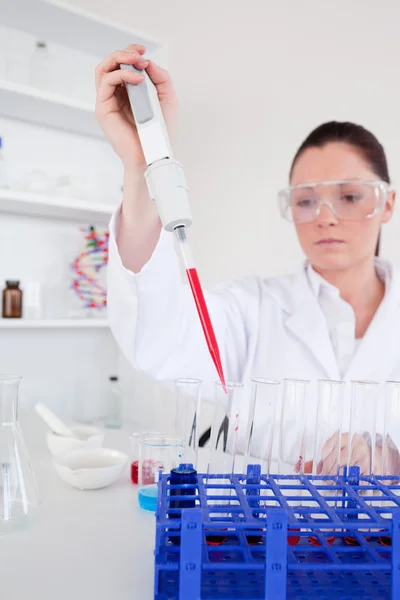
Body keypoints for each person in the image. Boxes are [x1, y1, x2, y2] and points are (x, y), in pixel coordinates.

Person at [96, 44, 400, 475]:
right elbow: (158, 338)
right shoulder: (251, 311)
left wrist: (391, 460)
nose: (326, 218)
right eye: (307, 200)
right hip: (262, 537)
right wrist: (143, 164)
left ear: (386, 204)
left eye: (350, 196)